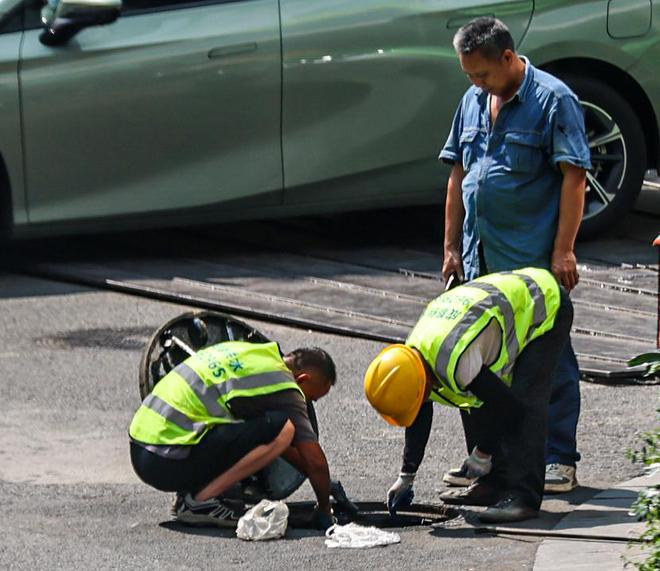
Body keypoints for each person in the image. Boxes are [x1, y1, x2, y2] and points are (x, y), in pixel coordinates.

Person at [438, 17, 591, 493]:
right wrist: (450, 246)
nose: (476, 84)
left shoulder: (553, 100)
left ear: (508, 57)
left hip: (530, 261)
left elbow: (575, 178)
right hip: (479, 256)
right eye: (468, 76)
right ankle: (492, 454)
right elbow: (459, 177)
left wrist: (564, 250)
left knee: (548, 357)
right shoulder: (472, 101)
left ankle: (558, 457)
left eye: (482, 74)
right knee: (478, 359)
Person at [364, 268, 573, 523]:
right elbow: (418, 411)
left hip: (543, 303)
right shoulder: (410, 359)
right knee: (475, 398)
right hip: (503, 303)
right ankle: (493, 483)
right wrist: (407, 475)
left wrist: (482, 453)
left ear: (421, 383)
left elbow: (509, 409)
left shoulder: (456, 360)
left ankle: (523, 499)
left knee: (526, 402)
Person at [129, 340, 337, 529]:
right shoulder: (285, 388)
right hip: (166, 459)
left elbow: (269, 441)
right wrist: (324, 508)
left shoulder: (252, 353)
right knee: (286, 427)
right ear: (302, 379)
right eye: (312, 398)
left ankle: (192, 492)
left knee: (271, 427)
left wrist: (324, 483)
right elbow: (313, 459)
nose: (307, 403)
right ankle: (200, 502)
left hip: (144, 449)